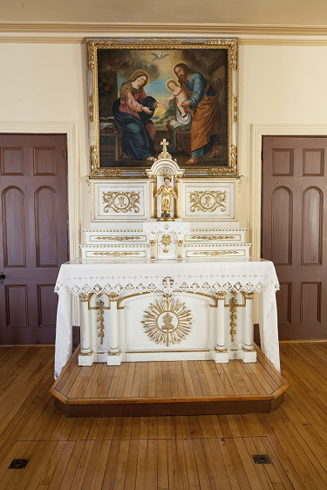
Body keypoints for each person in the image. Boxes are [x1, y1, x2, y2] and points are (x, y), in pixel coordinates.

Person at [174, 63, 220, 165]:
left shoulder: (196, 76)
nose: (179, 73)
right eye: (177, 73)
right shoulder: (184, 83)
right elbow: (184, 95)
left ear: (185, 69)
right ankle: (214, 148)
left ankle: (195, 157)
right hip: (198, 103)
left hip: (208, 101)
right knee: (209, 126)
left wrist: (190, 102)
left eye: (180, 70)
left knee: (198, 127)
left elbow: (198, 92)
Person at [112, 70, 160, 161]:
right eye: (141, 79)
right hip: (125, 114)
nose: (142, 82)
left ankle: (148, 152)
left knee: (148, 125)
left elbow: (145, 100)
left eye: (144, 81)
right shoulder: (126, 87)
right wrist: (142, 108)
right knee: (137, 128)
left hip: (135, 113)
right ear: (136, 77)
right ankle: (144, 155)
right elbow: (131, 101)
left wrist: (155, 104)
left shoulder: (140, 90)